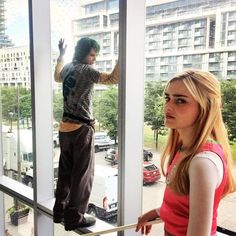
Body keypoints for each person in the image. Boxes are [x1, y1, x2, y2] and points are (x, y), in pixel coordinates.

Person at [136, 70, 236, 236]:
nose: (168, 106)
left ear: (206, 107)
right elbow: (185, 207)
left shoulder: (203, 162)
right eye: (167, 98)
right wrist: (158, 212)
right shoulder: (185, 148)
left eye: (180, 100)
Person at [53, 38, 119, 231]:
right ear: (83, 53)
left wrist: (61, 56)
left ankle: (59, 210)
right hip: (81, 129)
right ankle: (75, 217)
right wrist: (122, 55)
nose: (94, 59)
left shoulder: (68, 68)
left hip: (65, 127)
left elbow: (57, 76)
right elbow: (113, 79)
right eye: (92, 55)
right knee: (83, 175)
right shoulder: (87, 71)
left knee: (65, 173)